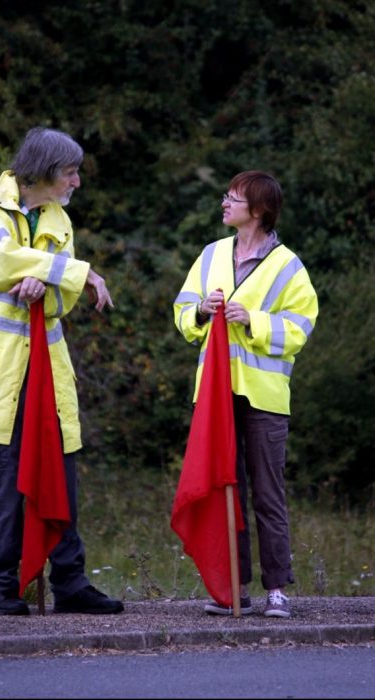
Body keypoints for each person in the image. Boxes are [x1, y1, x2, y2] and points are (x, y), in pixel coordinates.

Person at [0, 127, 124, 616]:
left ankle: (70, 583)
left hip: (46, 368)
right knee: (3, 480)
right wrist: (78, 272)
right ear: (44, 173)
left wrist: (47, 283)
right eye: (71, 173)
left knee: (60, 473)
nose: (77, 183)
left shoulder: (57, 218)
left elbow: (59, 298)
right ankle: (0, 588)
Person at [173, 170, 318, 618]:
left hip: (263, 398)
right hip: (214, 395)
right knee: (222, 491)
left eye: (232, 198)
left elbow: (300, 327)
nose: (224, 204)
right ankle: (232, 589)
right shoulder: (211, 254)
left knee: (267, 495)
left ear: (258, 210)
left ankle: (277, 589)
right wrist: (200, 310)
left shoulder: (288, 264)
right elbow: (182, 312)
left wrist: (251, 319)